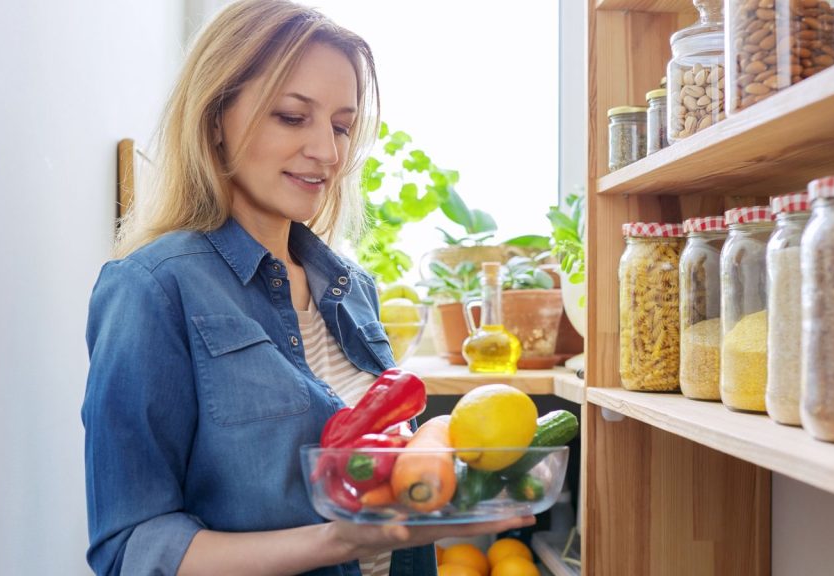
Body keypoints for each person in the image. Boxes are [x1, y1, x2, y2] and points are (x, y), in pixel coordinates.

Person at [81, 1, 534, 575]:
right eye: (293, 117)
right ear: (216, 116)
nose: (327, 151)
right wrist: (334, 544)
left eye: (341, 126)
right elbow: (132, 549)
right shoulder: (151, 291)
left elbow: (389, 483)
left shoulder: (353, 291)